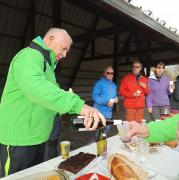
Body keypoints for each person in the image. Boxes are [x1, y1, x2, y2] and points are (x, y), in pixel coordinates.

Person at [0, 28, 106, 177]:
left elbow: (50, 98)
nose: (64, 54)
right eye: (63, 49)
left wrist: (71, 107)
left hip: (37, 138)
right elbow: (37, 89)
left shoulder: (48, 65)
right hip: (19, 139)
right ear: (50, 38)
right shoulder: (29, 56)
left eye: (67, 51)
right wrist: (79, 105)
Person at [92, 66, 118, 135]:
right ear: (104, 73)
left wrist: (116, 99)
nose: (110, 75)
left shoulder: (114, 85)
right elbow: (94, 96)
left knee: (106, 128)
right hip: (99, 111)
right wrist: (105, 102)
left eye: (112, 73)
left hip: (109, 112)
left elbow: (115, 96)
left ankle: (102, 142)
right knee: (99, 130)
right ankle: (98, 143)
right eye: (108, 73)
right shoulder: (99, 83)